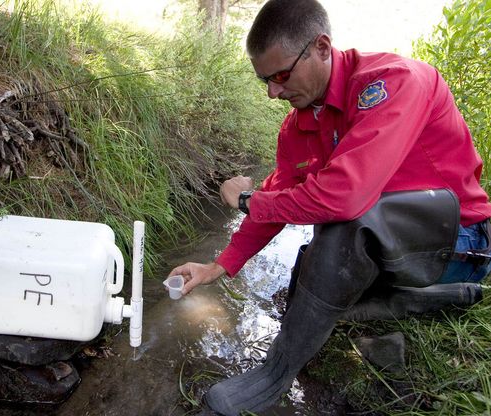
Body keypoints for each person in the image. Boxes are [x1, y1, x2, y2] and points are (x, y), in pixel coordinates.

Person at [168, 0, 491, 414]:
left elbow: (344, 197)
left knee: (342, 228)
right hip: (397, 246)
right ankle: (430, 298)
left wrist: (248, 199)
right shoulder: (298, 124)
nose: (273, 93)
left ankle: (274, 376)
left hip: (461, 240)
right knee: (309, 273)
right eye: (265, 80)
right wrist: (219, 265)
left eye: (282, 76)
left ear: (322, 47)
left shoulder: (393, 83)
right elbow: (279, 199)